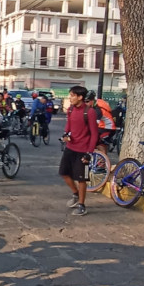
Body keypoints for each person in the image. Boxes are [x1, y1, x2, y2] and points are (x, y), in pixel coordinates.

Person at [59, 85, 99, 217]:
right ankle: (75, 194)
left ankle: (82, 205)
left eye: (72, 95)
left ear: (80, 97)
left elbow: (94, 134)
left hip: (83, 150)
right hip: (70, 148)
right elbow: (68, 126)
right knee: (64, 173)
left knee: (81, 178)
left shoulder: (89, 112)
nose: (70, 98)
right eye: (70, 95)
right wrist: (66, 134)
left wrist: (89, 153)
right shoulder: (70, 110)